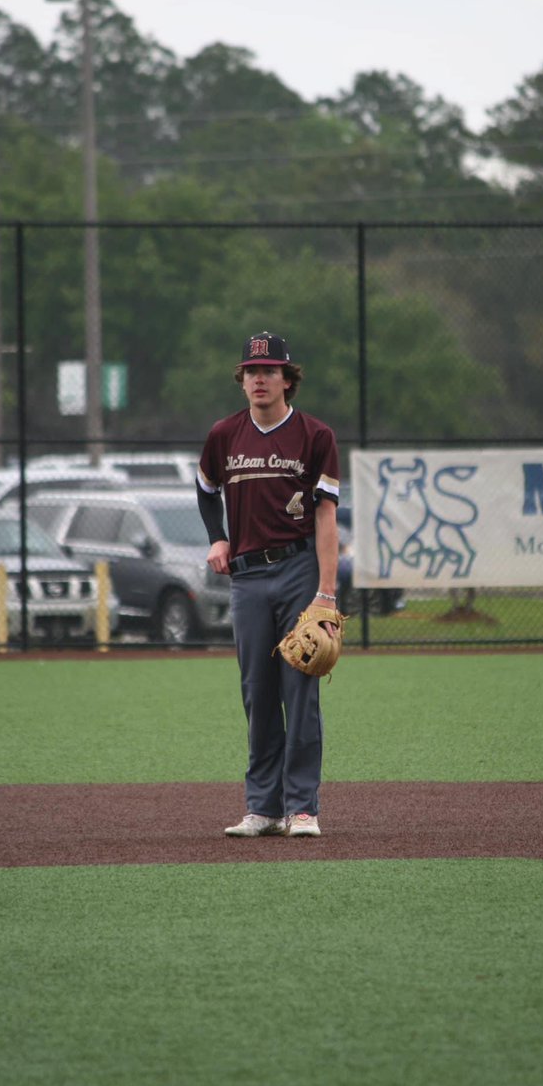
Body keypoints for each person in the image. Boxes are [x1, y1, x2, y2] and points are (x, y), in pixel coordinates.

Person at [196, 331, 340, 837]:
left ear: (287, 379)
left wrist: (326, 591)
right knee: (257, 691)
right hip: (248, 575)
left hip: (298, 568)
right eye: (252, 371)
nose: (260, 378)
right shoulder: (224, 435)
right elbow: (206, 489)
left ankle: (302, 808)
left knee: (299, 687)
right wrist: (217, 539)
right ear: (242, 380)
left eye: (270, 371)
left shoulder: (314, 436)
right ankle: (263, 806)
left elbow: (326, 518)